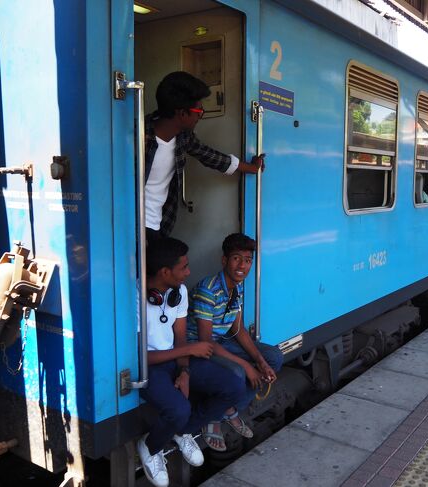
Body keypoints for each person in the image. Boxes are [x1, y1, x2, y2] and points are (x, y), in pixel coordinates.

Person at [137, 237, 246, 487]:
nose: (189, 272)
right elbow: (141, 356)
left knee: (234, 386)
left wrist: (184, 371)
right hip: (149, 367)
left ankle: (182, 431)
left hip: (176, 358)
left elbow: (180, 337)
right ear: (165, 272)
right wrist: (186, 354)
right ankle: (151, 447)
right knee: (179, 409)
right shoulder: (135, 298)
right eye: (184, 267)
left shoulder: (180, 292)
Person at [187, 233, 284, 451]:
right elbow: (206, 343)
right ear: (224, 260)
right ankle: (211, 417)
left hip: (221, 342)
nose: (242, 265)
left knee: (274, 357)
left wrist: (260, 362)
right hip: (199, 348)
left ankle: (226, 409)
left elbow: (238, 330)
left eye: (248, 260)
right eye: (236, 258)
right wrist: (247, 366)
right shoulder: (207, 290)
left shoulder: (237, 287)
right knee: (239, 374)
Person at [144, 71, 264, 243]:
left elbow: (210, 156)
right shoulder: (137, 137)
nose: (200, 115)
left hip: (157, 224)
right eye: (198, 111)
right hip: (130, 224)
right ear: (182, 114)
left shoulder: (182, 137)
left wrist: (252, 168)